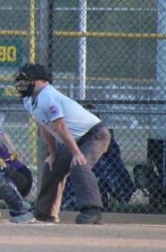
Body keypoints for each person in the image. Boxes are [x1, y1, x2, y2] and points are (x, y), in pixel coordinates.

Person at [15, 63, 111, 225]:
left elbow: (60, 126)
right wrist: (53, 155)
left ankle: (92, 211)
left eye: (28, 80)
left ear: (42, 81)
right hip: (76, 139)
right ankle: (45, 212)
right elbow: (45, 127)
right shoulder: (28, 100)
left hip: (95, 134)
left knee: (79, 164)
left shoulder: (47, 96)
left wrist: (76, 153)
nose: (23, 84)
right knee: (52, 166)